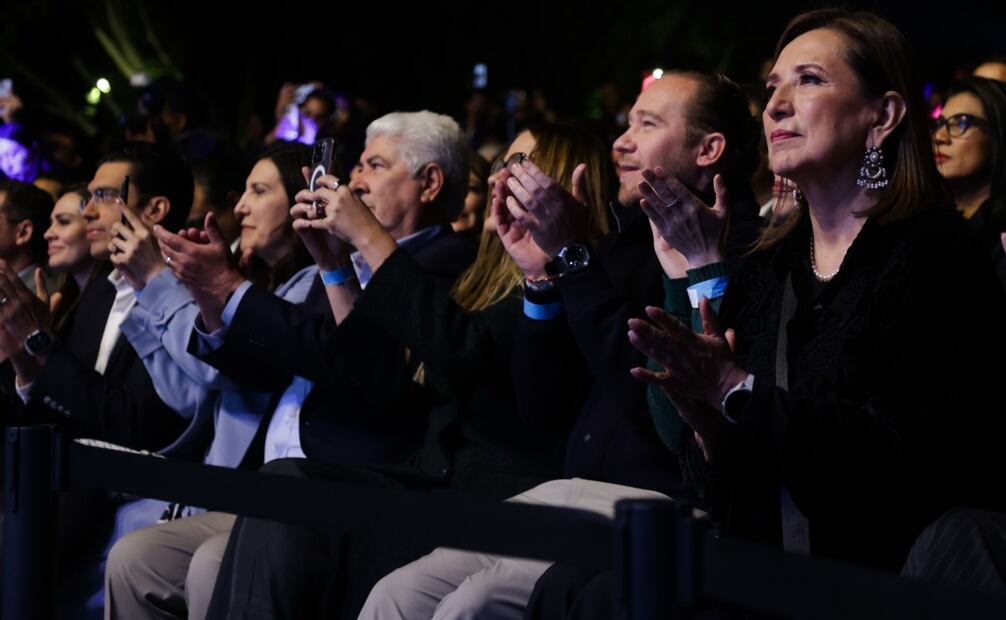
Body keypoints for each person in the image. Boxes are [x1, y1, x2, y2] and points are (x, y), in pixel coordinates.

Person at [628, 8, 1006, 576]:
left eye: (809, 80)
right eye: (773, 87)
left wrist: (736, 391)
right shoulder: (767, 267)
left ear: (883, 116)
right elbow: (722, 495)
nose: (776, 104)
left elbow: (904, 472)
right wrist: (711, 434)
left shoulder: (937, 257)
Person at [104, 143, 324, 620]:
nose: (240, 205)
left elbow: (216, 368)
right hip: (211, 485)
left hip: (248, 491)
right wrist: (149, 288)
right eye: (243, 191)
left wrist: (159, 280)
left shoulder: (314, 287)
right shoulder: (265, 285)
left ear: (303, 199)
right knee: (128, 541)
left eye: (259, 190)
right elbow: (190, 393)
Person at [932, 76, 1006, 291]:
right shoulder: (925, 217)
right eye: (939, 124)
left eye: (961, 122)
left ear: (998, 134)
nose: (940, 137)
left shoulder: (1000, 232)